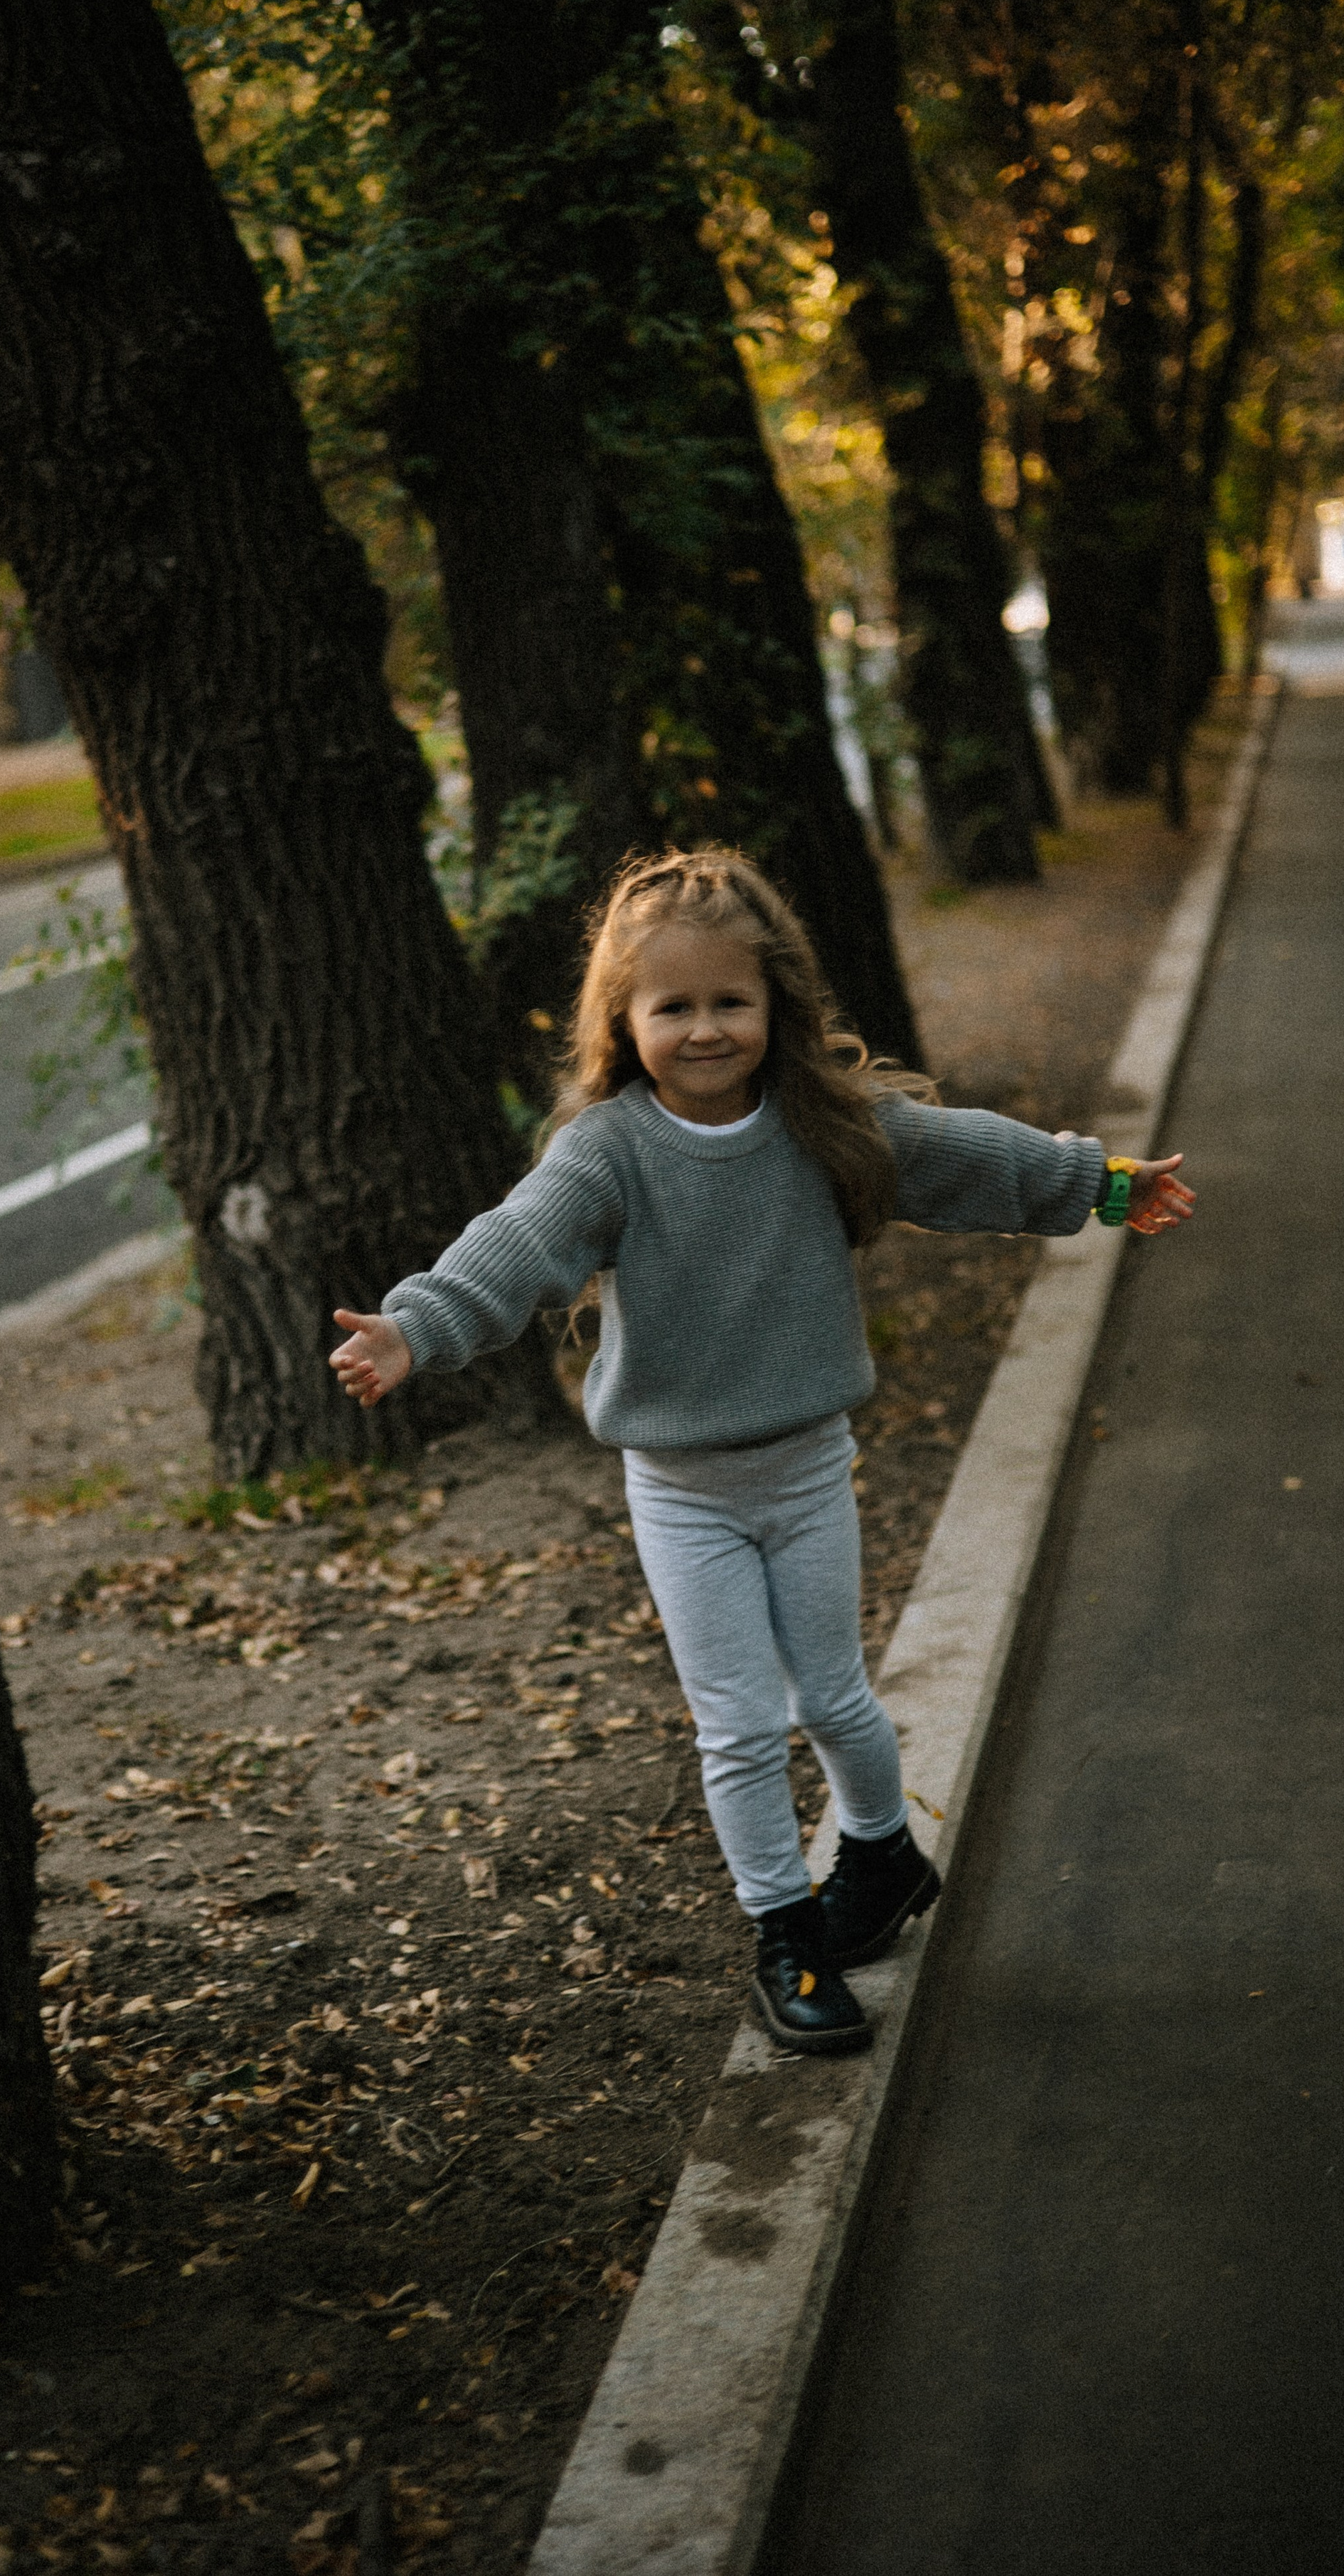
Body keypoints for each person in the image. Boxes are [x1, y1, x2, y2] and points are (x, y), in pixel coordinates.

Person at [329, 851, 1194, 2056]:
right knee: (737, 1722)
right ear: (625, 1022)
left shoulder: (823, 1125)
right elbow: (516, 1246)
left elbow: (964, 1157)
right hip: (680, 1491)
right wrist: (417, 1328)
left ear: (775, 1003)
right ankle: (785, 1942)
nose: (702, 1029)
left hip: (801, 1470)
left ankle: (883, 1855)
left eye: (728, 1001)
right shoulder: (607, 1151)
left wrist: (1097, 1185)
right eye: (671, 1007)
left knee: (834, 1694)